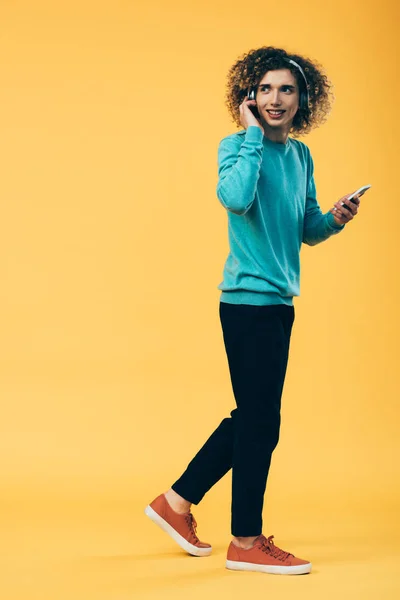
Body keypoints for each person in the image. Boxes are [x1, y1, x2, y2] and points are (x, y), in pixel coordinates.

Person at [144, 45, 361, 576]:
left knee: (254, 418)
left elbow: (305, 229)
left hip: (279, 304)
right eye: (264, 89)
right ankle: (245, 540)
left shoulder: (302, 156)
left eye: (286, 88)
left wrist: (335, 217)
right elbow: (236, 198)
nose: (275, 98)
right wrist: (250, 136)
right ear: (248, 96)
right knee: (261, 421)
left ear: (302, 98)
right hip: (245, 303)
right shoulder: (237, 147)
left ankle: (174, 503)